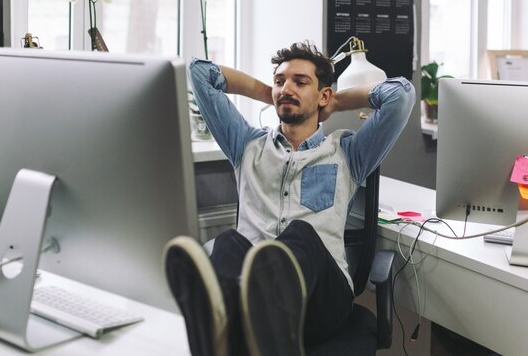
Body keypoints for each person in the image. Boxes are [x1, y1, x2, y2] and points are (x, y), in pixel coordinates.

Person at [164, 41, 415, 356]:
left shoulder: (348, 153)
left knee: (300, 234)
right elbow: (199, 72)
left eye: (300, 82)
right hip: (251, 293)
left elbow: (401, 96)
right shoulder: (246, 145)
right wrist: (270, 93)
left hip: (321, 300)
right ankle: (228, 329)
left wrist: (336, 102)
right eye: (280, 80)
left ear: (323, 95)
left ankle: (236, 327)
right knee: (229, 242)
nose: (287, 87)